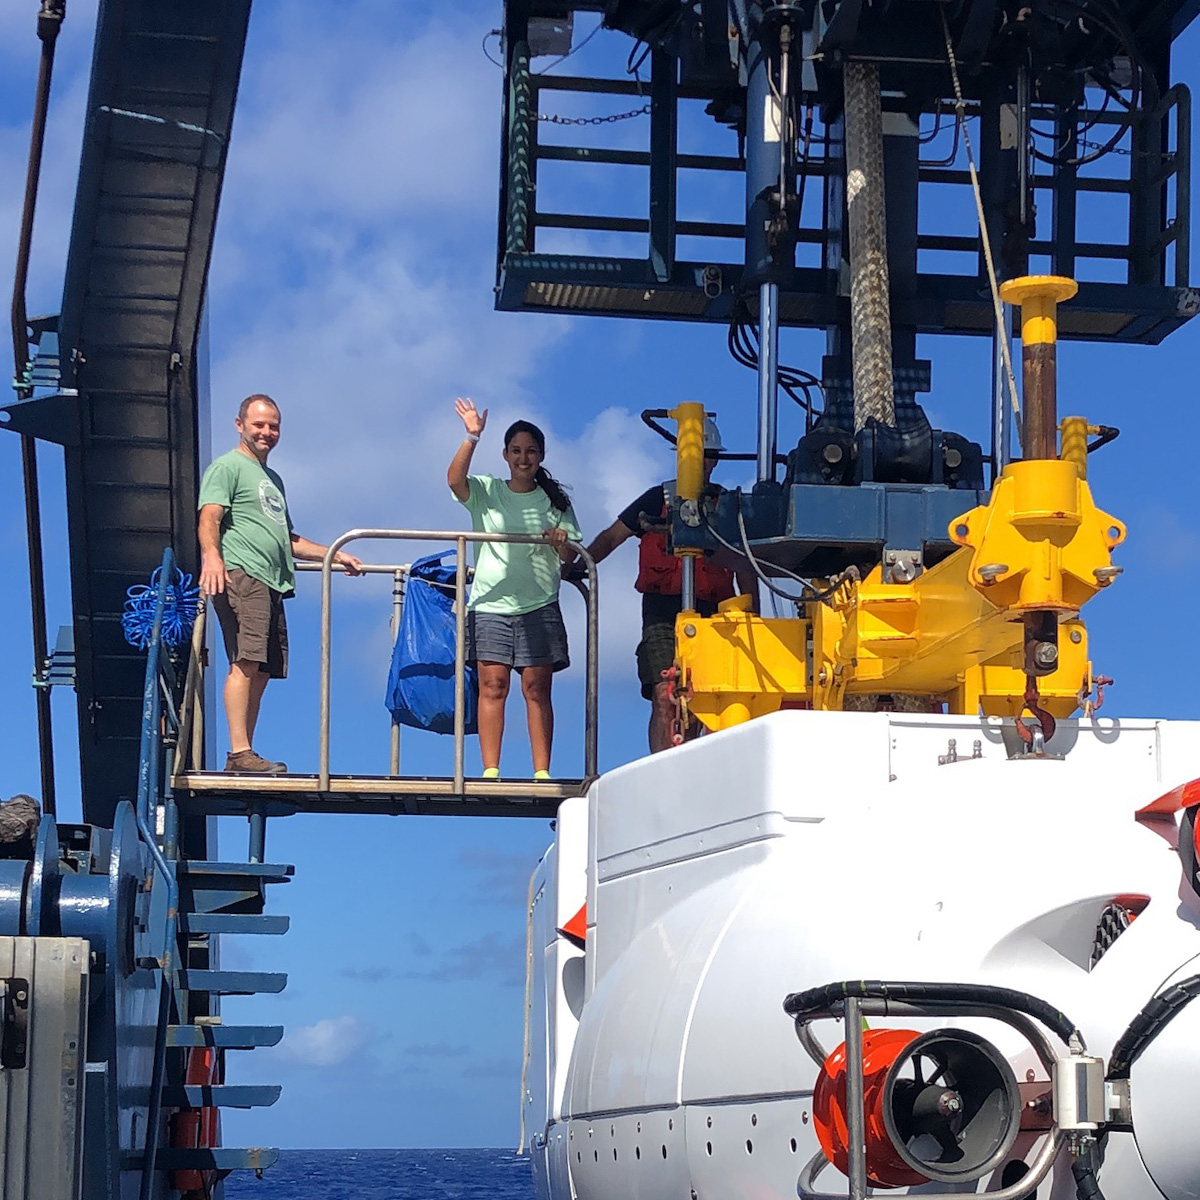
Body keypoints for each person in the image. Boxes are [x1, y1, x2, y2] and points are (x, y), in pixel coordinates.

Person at [198, 394, 363, 774]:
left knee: (264, 668)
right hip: (243, 573)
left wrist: (335, 554)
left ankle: (244, 751)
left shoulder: (273, 479)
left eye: (273, 425)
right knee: (246, 660)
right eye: (259, 424)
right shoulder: (227, 467)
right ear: (240, 425)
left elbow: (289, 539)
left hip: (272, 580)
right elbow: (209, 516)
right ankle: (239, 753)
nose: (266, 432)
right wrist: (212, 556)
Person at [575, 419, 755, 753]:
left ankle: (690, 761)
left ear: (714, 460)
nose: (699, 463)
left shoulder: (729, 507)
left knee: (703, 696)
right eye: (692, 456)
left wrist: (752, 615)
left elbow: (744, 565)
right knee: (663, 694)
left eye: (705, 456)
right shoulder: (656, 500)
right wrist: (578, 566)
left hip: (715, 614)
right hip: (661, 612)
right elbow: (612, 537)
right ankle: (662, 765)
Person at [448, 398, 581, 781]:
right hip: (490, 603)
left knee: (537, 688)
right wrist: (472, 436)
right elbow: (455, 480)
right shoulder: (488, 490)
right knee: (493, 684)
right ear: (505, 454)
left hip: (539, 603)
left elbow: (572, 555)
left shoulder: (555, 500)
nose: (523, 458)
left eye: (531, 451)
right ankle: (491, 769)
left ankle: (542, 772)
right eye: (517, 451)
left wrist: (560, 541)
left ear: (541, 456)